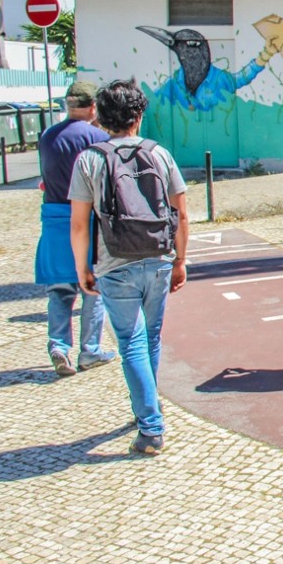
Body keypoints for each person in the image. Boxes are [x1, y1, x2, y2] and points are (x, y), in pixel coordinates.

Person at [69, 80, 189, 455]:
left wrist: (82, 268)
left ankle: (150, 425)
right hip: (158, 258)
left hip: (114, 263)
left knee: (132, 342)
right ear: (138, 116)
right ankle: (146, 407)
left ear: (102, 119)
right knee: (149, 338)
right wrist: (181, 260)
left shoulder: (89, 160)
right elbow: (182, 214)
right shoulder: (160, 154)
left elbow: (79, 224)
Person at [35, 80, 115, 376]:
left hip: (54, 220)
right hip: (88, 221)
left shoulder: (48, 136)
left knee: (59, 289)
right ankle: (90, 351)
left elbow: (45, 178)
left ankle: (58, 346)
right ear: (93, 107)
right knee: (92, 288)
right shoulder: (97, 138)